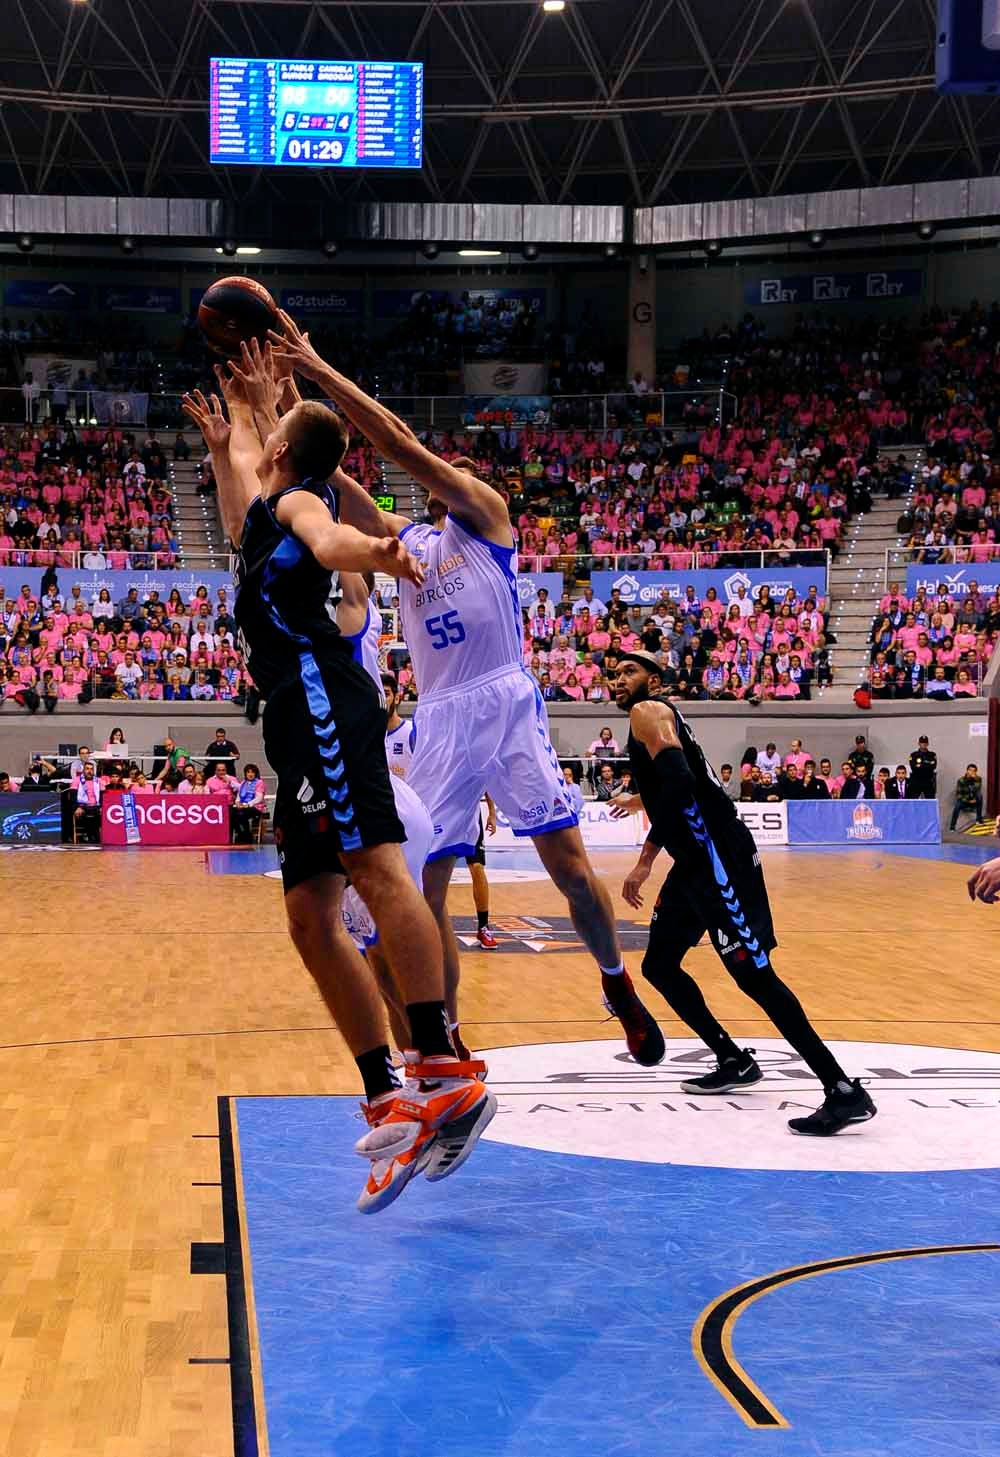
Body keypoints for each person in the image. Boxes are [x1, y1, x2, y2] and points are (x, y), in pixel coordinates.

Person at [271, 311, 664, 1066]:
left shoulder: (487, 520)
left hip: (505, 699)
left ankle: (616, 983)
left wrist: (319, 367)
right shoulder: (405, 540)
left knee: (572, 869)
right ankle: (443, 1035)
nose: (435, 482)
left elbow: (395, 444)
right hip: (441, 717)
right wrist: (292, 393)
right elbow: (337, 473)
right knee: (426, 886)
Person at [183, 349, 493, 1214]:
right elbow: (245, 490)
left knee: (374, 875)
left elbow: (331, 536)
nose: (259, 439)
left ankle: (441, 1065)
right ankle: (386, 1089)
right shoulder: (264, 514)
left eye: (269, 433)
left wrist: (387, 551)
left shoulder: (300, 503)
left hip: (329, 704)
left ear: (287, 450)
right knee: (308, 915)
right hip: (295, 720)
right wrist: (236, 422)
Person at [609, 649, 876, 1136]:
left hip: (718, 862)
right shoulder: (652, 718)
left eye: (631, 670)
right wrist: (647, 854)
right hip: (693, 865)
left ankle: (841, 1090)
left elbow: (681, 781)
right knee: (659, 965)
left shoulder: (648, 712)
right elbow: (677, 789)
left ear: (655, 678)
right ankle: (732, 1058)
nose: (619, 677)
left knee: (756, 979)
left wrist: (648, 805)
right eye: (616, 671)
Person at [231, 764, 267, 844]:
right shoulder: (243, 782)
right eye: (248, 772)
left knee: (241, 814)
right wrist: (237, 803)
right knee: (231, 813)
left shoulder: (259, 782)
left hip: (255, 807)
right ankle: (242, 834)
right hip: (243, 806)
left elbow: (259, 798)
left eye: (252, 772)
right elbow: (239, 796)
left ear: (255, 773)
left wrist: (247, 804)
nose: (250, 774)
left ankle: (246, 835)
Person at [72, 762, 102, 842]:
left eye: (91, 769)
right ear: (83, 770)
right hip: (82, 806)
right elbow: (73, 796)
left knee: (96, 813)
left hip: (96, 806)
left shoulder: (98, 781)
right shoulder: (77, 780)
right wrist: (77, 807)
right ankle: (94, 838)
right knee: (88, 813)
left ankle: (92, 838)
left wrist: (102, 807)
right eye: (87, 769)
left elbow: (103, 796)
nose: (89, 771)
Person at [951, 764, 985, 830]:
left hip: (974, 800)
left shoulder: (978, 779)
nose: (971, 772)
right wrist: (968, 801)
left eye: (974, 771)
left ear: (976, 772)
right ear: (967, 771)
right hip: (964, 800)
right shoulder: (961, 780)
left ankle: (979, 819)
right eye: (970, 770)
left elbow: (977, 789)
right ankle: (952, 827)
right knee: (957, 806)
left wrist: (975, 779)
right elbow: (958, 794)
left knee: (980, 796)